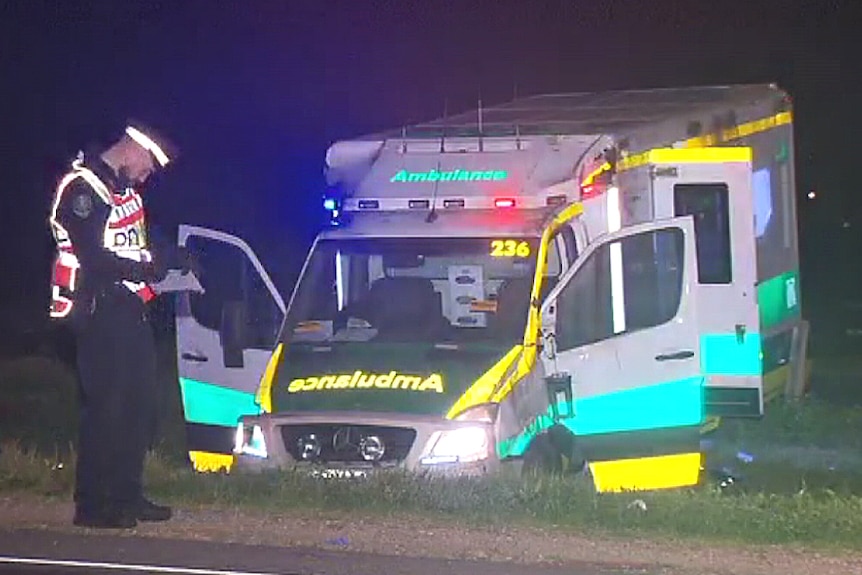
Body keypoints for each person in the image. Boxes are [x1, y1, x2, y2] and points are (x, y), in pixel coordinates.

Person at [48, 120, 187, 529]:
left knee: (139, 404)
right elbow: (94, 258)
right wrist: (149, 270)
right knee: (106, 407)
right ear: (132, 147)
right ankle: (93, 504)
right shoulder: (82, 189)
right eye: (148, 165)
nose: (147, 175)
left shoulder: (124, 191)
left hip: (130, 308)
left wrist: (172, 257)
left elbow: (138, 242)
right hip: (96, 308)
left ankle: (127, 494)